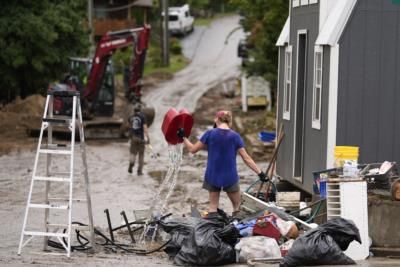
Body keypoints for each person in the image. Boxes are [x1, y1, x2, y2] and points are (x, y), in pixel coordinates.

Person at [177, 110, 267, 215]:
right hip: (230, 176)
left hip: (213, 175)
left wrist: (183, 137)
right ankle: (235, 227)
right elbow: (246, 159)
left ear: (216, 119)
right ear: (230, 121)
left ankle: (213, 228)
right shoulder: (235, 137)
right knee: (237, 206)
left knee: (213, 207)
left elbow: (192, 150)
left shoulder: (209, 134)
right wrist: (260, 173)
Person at [128, 105, 150, 175]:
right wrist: (148, 137)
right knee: (141, 154)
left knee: (133, 153)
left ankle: (131, 166)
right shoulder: (142, 117)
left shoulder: (131, 117)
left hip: (133, 138)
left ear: (134, 111)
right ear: (140, 110)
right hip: (141, 139)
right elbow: (145, 128)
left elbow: (130, 127)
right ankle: (139, 171)